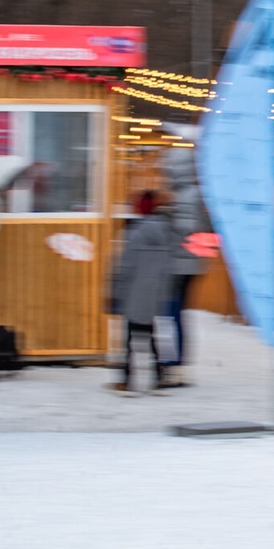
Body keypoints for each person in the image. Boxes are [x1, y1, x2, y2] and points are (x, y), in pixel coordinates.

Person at [107, 190, 176, 396]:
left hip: (134, 293)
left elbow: (125, 266)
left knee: (128, 339)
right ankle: (157, 376)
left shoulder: (134, 233)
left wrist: (115, 292)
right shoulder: (166, 233)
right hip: (154, 294)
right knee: (151, 335)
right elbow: (168, 267)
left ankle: (128, 380)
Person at [158, 147, 212, 388]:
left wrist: (166, 218)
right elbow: (207, 232)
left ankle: (174, 366)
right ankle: (178, 365)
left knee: (172, 314)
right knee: (177, 314)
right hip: (191, 264)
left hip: (178, 264)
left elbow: (184, 229)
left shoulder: (183, 196)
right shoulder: (198, 194)